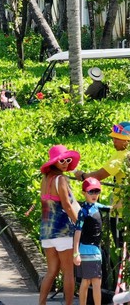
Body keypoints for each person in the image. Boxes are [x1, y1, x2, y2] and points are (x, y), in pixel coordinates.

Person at [74, 121, 130, 248]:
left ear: (127, 141)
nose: (114, 141)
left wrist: (83, 176)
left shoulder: (122, 155)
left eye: (118, 138)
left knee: (122, 248)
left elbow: (100, 175)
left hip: (120, 212)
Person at [39, 144, 81, 305]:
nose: (65, 163)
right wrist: (80, 223)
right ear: (54, 162)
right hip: (63, 231)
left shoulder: (46, 179)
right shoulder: (61, 179)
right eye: (61, 160)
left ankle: (41, 303)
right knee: (68, 273)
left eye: (67, 160)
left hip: (46, 232)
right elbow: (67, 205)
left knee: (51, 271)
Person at [73, 177, 104, 305]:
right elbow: (78, 231)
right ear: (83, 193)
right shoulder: (83, 212)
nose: (94, 195)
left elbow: (112, 207)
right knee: (95, 281)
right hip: (89, 250)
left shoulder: (97, 206)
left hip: (93, 249)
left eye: (97, 191)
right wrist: (76, 253)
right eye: (91, 192)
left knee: (87, 280)